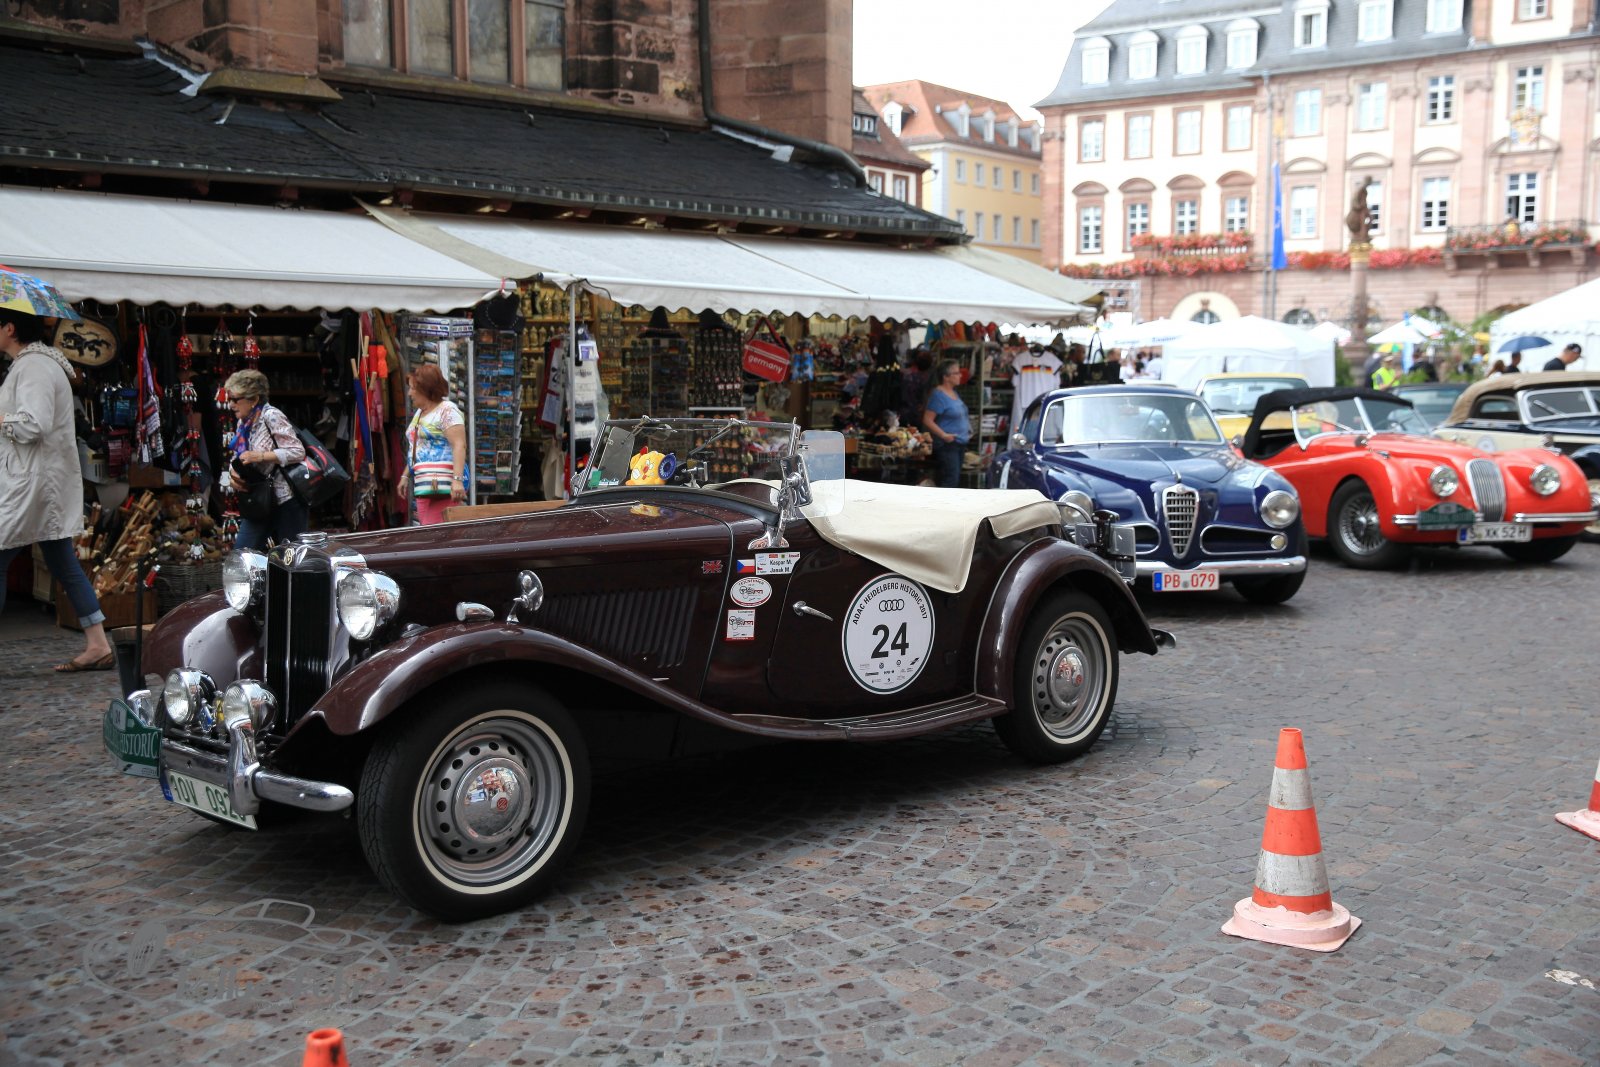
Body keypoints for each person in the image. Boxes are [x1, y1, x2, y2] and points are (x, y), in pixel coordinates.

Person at [0, 308, 115, 672]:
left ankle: (98, 644)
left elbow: (33, 425)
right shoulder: (33, 365)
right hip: (37, 480)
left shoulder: (33, 366)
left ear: (9, 328)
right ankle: (98, 644)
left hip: (32, 482)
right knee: (63, 561)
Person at [224, 368, 308, 552]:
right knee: (242, 554)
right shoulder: (244, 422)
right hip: (259, 499)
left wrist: (261, 456)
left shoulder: (271, 415)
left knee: (292, 557)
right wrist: (231, 475)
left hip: (286, 499)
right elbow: (238, 456)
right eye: (229, 399)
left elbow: (297, 451)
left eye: (235, 399)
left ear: (254, 399)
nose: (230, 404)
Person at [402, 363, 468, 525]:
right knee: (427, 529)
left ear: (425, 389)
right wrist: (405, 475)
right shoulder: (420, 413)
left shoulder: (447, 410)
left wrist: (457, 480)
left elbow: (459, 445)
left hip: (444, 484)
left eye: (413, 388)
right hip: (425, 484)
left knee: (435, 531)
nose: (409, 393)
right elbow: (417, 446)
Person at [920, 359, 970, 489]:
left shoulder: (954, 393)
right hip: (948, 445)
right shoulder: (939, 395)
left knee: (954, 478)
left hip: (959, 442)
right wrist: (943, 435)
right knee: (951, 479)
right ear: (946, 377)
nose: (960, 376)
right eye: (956, 373)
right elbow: (927, 419)